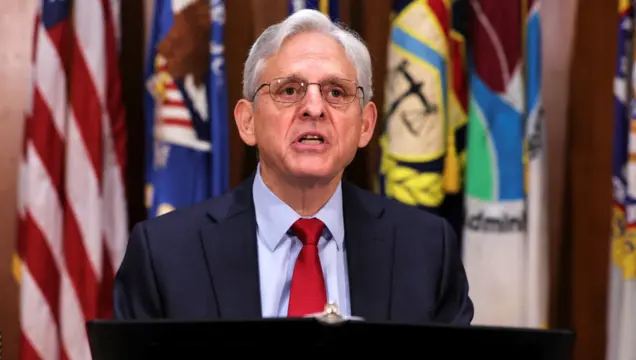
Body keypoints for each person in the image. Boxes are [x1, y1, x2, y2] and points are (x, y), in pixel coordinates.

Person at [113, 9, 473, 325]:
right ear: (247, 121)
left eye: (336, 92)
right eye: (289, 90)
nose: (313, 108)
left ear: (365, 125)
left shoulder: (427, 251)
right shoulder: (164, 255)